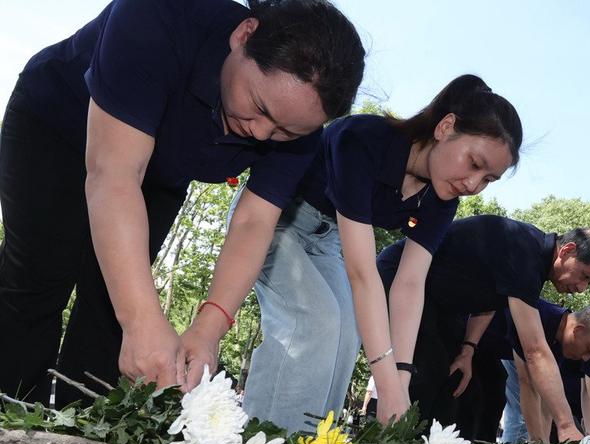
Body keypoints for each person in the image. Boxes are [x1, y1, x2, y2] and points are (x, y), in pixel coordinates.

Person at [0, 0, 365, 406]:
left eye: (285, 131)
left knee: (111, 305)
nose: (261, 135)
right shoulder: (156, 15)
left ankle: (80, 435)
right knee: (37, 279)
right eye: (260, 108)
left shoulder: (299, 132)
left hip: (161, 172)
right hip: (57, 128)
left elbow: (253, 223)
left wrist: (209, 329)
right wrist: (140, 320)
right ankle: (12, 424)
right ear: (244, 35)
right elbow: (115, 174)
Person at [231, 75, 522, 432]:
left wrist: (399, 381)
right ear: (446, 127)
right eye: (474, 163)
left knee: (350, 331)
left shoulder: (441, 203)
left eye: (488, 179)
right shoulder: (365, 139)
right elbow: (362, 273)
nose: (473, 185)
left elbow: (409, 285)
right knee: (317, 320)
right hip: (274, 218)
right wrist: (384, 384)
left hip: (327, 241)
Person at [377, 218, 590, 442]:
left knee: (463, 384)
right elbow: (534, 351)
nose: (583, 288)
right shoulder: (524, 249)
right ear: (567, 251)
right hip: (402, 279)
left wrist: (468, 349)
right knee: (429, 371)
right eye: (585, 276)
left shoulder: (532, 265)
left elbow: (488, 302)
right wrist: (566, 426)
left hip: (443, 306)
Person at [506, 300, 590, 441]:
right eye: (589, 350)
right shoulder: (541, 317)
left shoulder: (558, 346)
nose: (585, 358)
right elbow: (528, 382)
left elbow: (546, 400)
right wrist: (538, 443)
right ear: (578, 330)